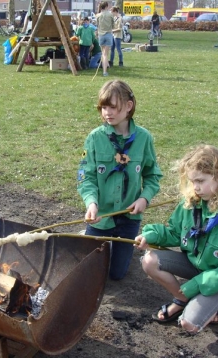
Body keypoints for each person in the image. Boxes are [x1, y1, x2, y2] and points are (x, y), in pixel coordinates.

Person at [135, 144, 218, 334]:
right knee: (150, 261)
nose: (195, 187)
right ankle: (182, 299)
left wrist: (196, 285)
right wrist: (151, 234)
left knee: (189, 325)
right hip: (194, 264)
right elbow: (175, 233)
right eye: (192, 181)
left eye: (200, 181)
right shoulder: (192, 203)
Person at [77, 80, 163, 281]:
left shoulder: (144, 138)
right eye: (104, 107)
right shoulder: (94, 138)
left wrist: (144, 198)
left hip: (129, 218)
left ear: (129, 106)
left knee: (116, 275)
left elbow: (152, 175)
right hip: (101, 216)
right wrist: (91, 202)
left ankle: (119, 248)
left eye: (113, 107)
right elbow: (85, 176)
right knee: (90, 272)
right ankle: (89, 235)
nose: (107, 112)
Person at [96, 1, 114, 77]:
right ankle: (104, 71)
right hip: (108, 34)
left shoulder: (98, 15)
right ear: (106, 6)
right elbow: (113, 24)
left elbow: (97, 25)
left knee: (103, 53)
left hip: (101, 35)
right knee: (105, 54)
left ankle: (106, 66)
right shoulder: (110, 14)